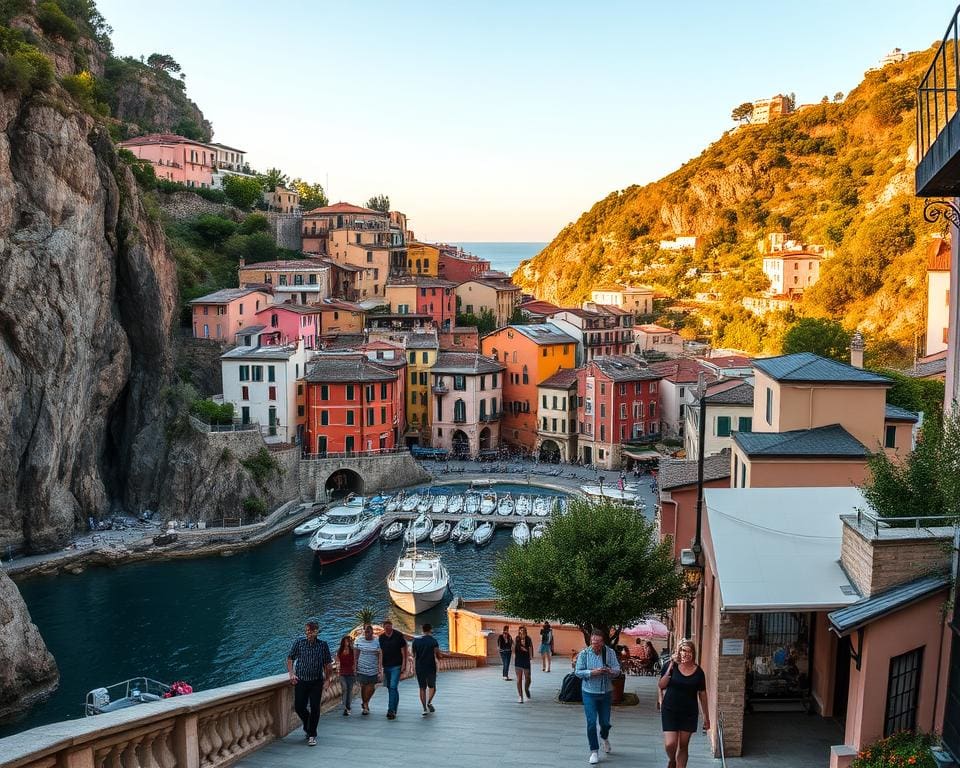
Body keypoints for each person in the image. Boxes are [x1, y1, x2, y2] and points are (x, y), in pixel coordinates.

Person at [658, 639, 710, 768]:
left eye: (688, 651)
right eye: (682, 650)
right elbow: (661, 685)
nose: (685, 653)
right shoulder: (671, 665)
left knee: (683, 745)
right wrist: (671, 665)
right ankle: (672, 760)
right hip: (670, 710)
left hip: (689, 712)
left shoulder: (699, 672)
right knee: (670, 744)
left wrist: (706, 717)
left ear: (693, 653)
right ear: (678, 652)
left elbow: (702, 695)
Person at [575, 629, 621, 765]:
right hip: (589, 692)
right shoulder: (584, 654)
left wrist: (610, 671)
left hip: (606, 692)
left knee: (605, 723)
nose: (595, 645)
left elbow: (617, 670)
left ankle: (604, 737)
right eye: (593, 642)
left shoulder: (610, 653)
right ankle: (594, 751)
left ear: (603, 642)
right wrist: (592, 672)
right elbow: (577, 672)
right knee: (591, 722)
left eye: (598, 643)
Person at [285, 618, 332, 747]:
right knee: (299, 706)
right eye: (307, 631)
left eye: (311, 631)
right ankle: (307, 724)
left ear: (317, 632)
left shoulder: (323, 645)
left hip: (316, 681)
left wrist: (327, 680)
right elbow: (290, 658)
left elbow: (328, 664)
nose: (308, 633)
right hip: (301, 681)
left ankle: (312, 735)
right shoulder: (299, 642)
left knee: (315, 707)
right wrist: (291, 674)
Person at [378, 619, 409, 720]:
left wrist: (404, 664)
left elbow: (404, 651)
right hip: (386, 666)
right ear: (384, 628)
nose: (387, 629)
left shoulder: (398, 635)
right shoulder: (381, 638)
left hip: (397, 665)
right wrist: (380, 666)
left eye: (389, 627)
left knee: (392, 687)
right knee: (391, 688)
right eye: (385, 627)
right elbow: (381, 652)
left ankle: (390, 710)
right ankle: (394, 709)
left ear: (391, 626)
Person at [411, 623, 443, 716]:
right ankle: (429, 702)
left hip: (419, 667)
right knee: (432, 687)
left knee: (422, 688)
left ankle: (424, 708)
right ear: (430, 630)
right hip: (430, 666)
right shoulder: (433, 641)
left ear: (422, 630)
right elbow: (438, 655)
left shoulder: (416, 641)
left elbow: (413, 655)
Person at [353, 624, 382, 716]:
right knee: (363, 686)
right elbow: (356, 655)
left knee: (372, 688)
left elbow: (380, 654)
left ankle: (366, 701)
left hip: (373, 668)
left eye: (369, 631)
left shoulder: (377, 641)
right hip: (362, 667)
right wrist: (355, 666)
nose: (367, 633)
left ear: (372, 632)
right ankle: (365, 705)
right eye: (365, 631)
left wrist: (380, 667)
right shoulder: (359, 640)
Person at [336, 635, 356, 716]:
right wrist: (337, 670)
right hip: (342, 672)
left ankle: (348, 706)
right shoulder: (340, 650)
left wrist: (355, 670)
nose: (347, 643)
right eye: (345, 641)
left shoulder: (352, 650)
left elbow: (355, 660)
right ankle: (344, 706)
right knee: (344, 688)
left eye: (348, 641)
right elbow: (337, 661)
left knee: (349, 689)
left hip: (351, 672)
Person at [514, 625, 533, 703]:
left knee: (528, 677)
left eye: (523, 630)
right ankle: (520, 696)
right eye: (520, 630)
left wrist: (531, 656)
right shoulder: (517, 639)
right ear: (519, 631)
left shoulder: (528, 639)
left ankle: (526, 689)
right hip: (518, 659)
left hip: (526, 659)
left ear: (525, 631)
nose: (522, 632)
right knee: (519, 679)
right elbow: (515, 648)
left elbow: (530, 648)